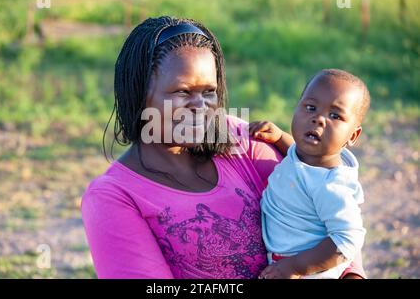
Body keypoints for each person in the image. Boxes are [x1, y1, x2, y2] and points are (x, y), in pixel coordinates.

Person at [81, 16, 366, 279]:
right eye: (182, 92)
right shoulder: (113, 197)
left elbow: (325, 204)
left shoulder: (241, 139)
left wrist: (352, 273)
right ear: (140, 92)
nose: (200, 107)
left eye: (209, 92)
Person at [249, 69, 370, 279]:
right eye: (311, 107)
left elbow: (347, 239)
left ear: (353, 135)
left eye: (335, 115)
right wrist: (279, 138)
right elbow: (299, 161)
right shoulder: (310, 159)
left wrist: (295, 267)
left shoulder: (331, 185)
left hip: (310, 271)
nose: (318, 119)